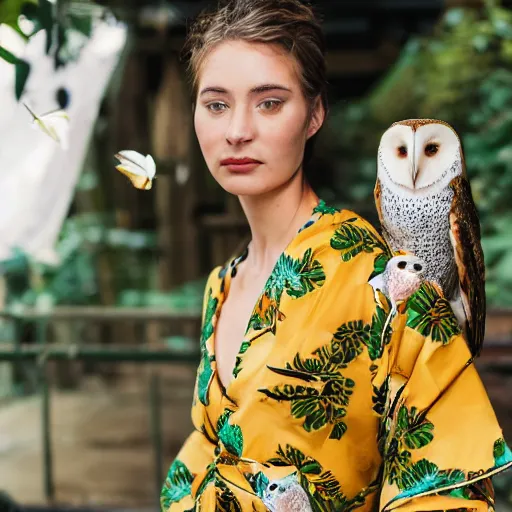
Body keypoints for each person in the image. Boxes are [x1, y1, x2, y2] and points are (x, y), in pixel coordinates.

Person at [161, 1, 512, 510]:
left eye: (269, 102)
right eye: (216, 104)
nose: (237, 130)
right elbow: (207, 450)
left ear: (314, 114)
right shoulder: (223, 284)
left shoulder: (390, 285)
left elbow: (443, 486)